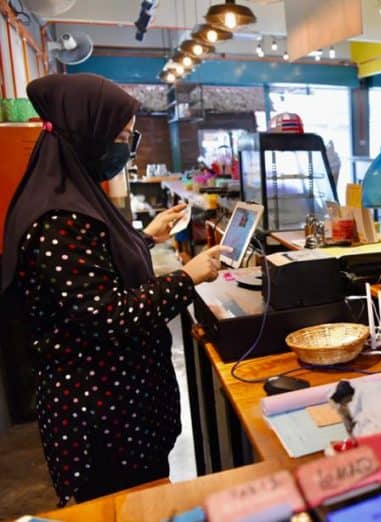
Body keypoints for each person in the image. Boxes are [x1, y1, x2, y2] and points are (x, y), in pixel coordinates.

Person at [1, 74, 230, 506]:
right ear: (87, 135)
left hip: (124, 414)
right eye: (122, 137)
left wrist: (145, 239)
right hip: (103, 424)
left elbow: (92, 269)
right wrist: (187, 277)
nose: (127, 147)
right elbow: (109, 315)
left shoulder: (74, 197)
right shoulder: (58, 219)